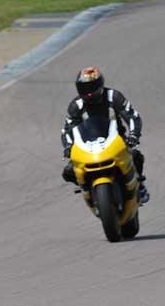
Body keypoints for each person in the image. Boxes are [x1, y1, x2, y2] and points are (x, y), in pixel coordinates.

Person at [61, 67, 149, 204]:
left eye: (92, 87)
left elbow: (132, 116)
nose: (89, 93)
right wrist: (68, 146)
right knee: (68, 172)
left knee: (136, 155)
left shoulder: (114, 97)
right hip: (87, 145)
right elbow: (68, 128)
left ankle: (140, 186)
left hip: (116, 140)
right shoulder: (76, 105)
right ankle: (87, 187)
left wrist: (133, 136)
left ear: (100, 84)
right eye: (84, 89)